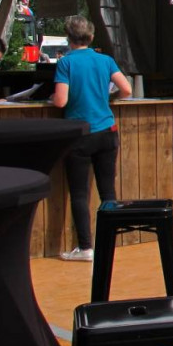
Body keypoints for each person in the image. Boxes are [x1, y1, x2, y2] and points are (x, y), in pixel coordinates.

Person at [52, 16, 132, 262]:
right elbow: (127, 90)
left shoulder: (66, 63)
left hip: (80, 134)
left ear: (68, 37)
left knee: (79, 193)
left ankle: (86, 247)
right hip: (107, 130)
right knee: (107, 191)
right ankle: (110, 241)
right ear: (91, 36)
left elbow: (61, 101)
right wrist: (110, 98)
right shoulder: (105, 60)